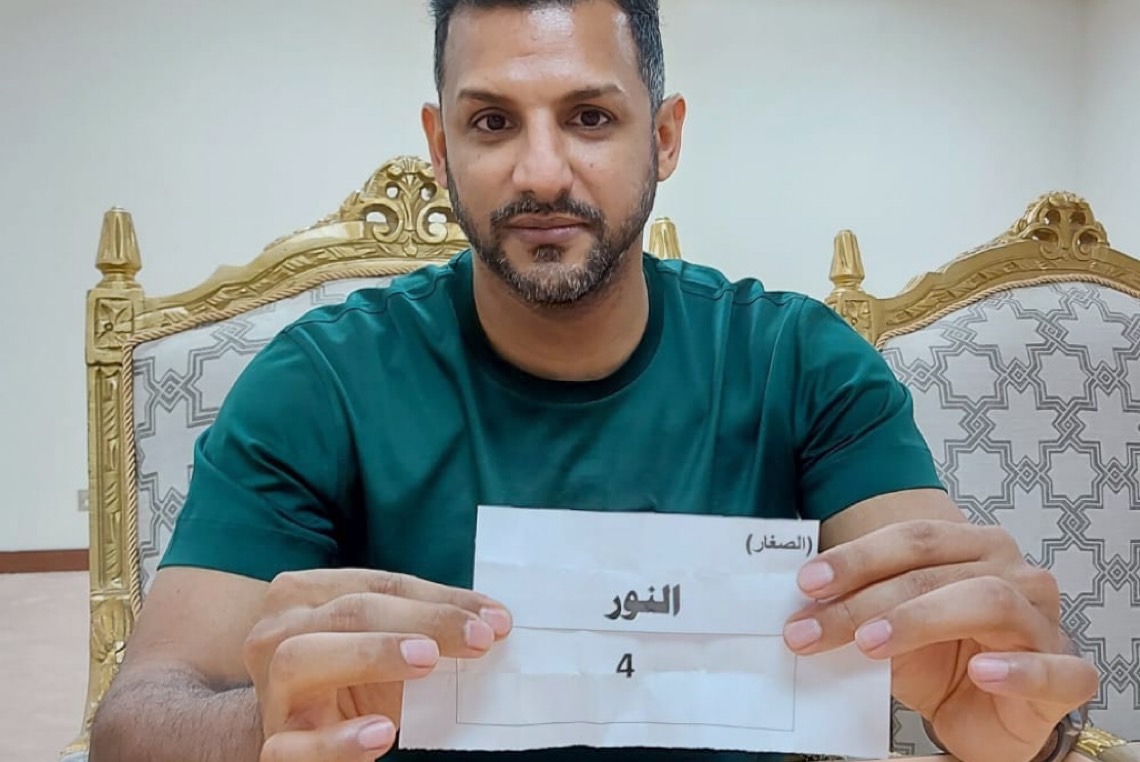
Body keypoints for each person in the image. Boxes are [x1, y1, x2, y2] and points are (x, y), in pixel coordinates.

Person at [88, 1, 1098, 761]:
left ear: (664, 136)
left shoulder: (800, 363)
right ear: (440, 148)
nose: (540, 172)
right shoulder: (319, 383)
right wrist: (263, 723)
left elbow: (962, 645)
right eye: (492, 122)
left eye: (588, 116)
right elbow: (136, 724)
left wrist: (1013, 722)